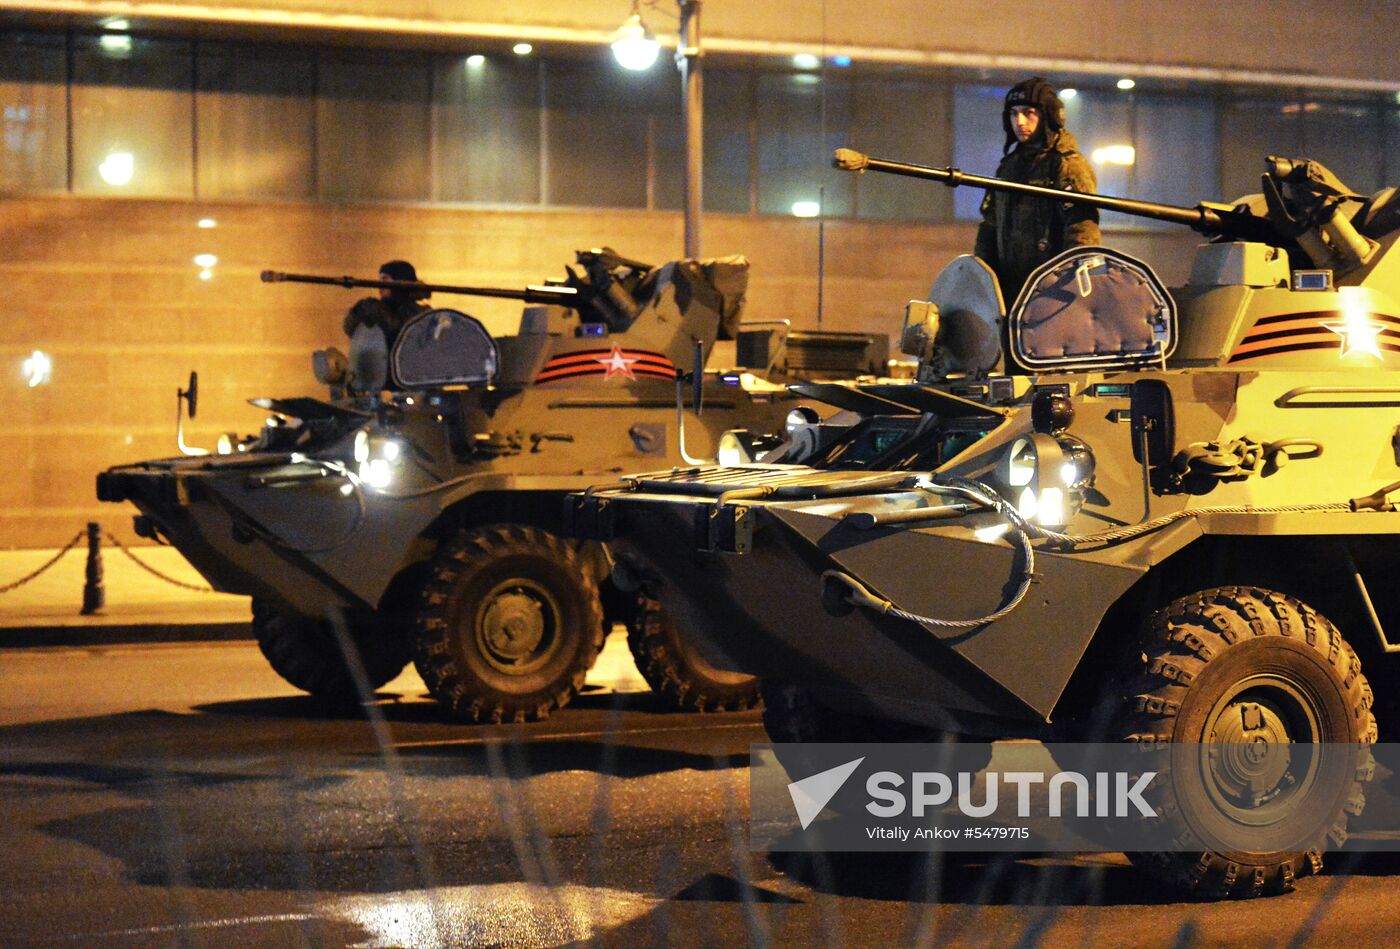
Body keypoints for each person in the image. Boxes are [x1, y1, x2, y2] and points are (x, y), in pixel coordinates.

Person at [974, 78, 1103, 307]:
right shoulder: (1009, 166)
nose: (1019, 121)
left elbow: (1082, 233)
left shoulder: (1067, 165)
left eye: (1028, 113)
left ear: (1047, 115)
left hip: (1052, 295)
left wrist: (1067, 288)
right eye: (1013, 114)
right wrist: (983, 280)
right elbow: (991, 226)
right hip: (1009, 292)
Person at [342, 259, 432, 351]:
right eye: (379, 280)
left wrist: (376, 310)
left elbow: (399, 335)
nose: (380, 285)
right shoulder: (373, 308)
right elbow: (350, 328)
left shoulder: (421, 313)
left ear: (400, 281)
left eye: (385, 279)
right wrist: (358, 312)